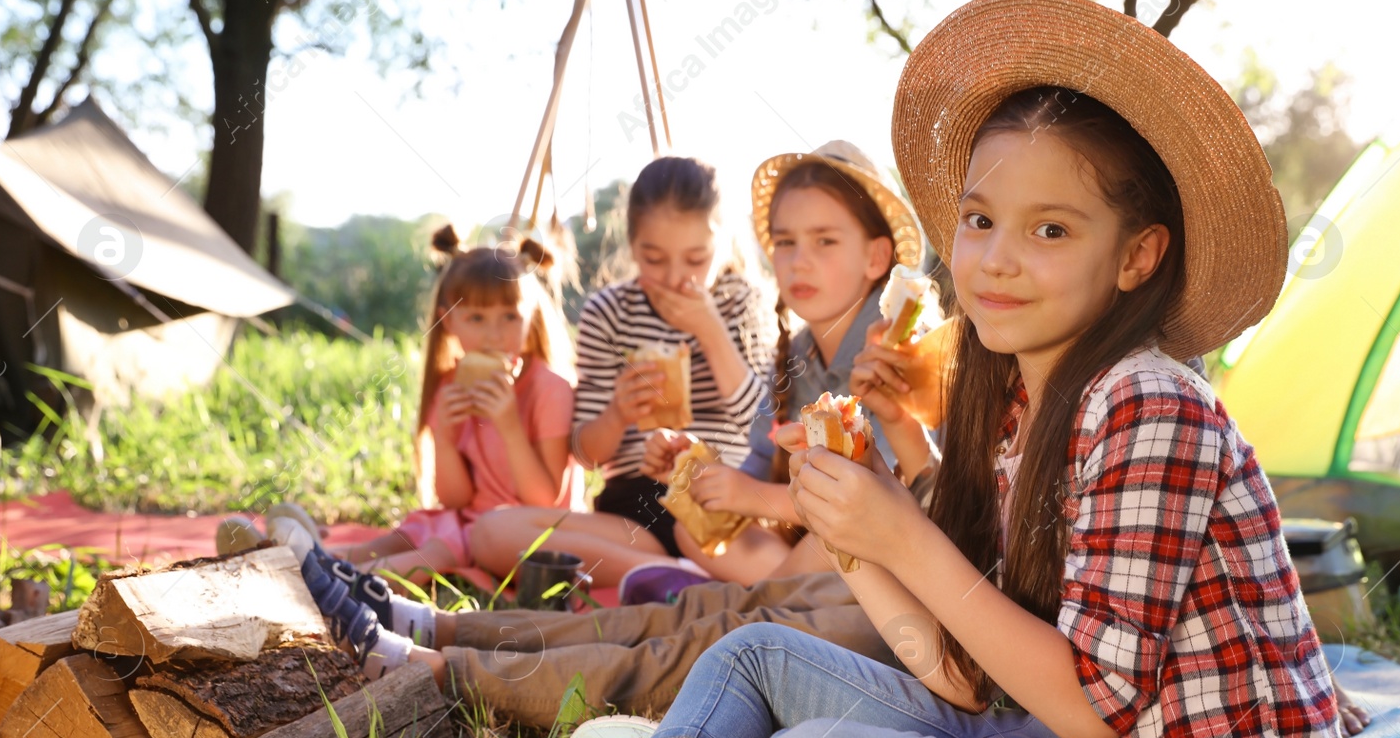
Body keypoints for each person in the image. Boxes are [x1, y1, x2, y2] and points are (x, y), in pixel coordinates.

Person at [364, 0, 1371, 738]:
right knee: (753, 654)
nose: (996, 258)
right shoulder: (1017, 406)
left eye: (1050, 229)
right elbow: (960, 677)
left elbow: (1092, 707)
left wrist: (905, 535)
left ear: (1138, 255)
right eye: (979, 220)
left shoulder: (1148, 397)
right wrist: (857, 535)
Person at [625, 140, 939, 597]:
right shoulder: (795, 355)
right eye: (786, 242)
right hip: (813, 554)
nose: (800, 260)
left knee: (827, 542)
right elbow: (756, 468)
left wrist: (746, 495)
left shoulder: (895, 347)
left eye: (824, 241)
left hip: (895, 552)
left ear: (875, 257)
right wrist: (694, 466)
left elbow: (879, 497)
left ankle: (747, 605)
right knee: (692, 529)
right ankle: (765, 599)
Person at [467, 156, 775, 587]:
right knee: (491, 532)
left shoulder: (743, 302)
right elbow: (585, 453)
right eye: (653, 258)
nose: (674, 277)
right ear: (632, 246)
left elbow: (765, 428)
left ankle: (670, 577)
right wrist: (617, 414)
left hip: (723, 509)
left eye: (695, 259)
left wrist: (711, 333)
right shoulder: (609, 312)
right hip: (633, 519)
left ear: (721, 244)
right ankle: (674, 576)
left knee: (773, 556)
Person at [220, 226, 580, 584]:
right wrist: (445, 436)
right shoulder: (455, 387)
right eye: (476, 318)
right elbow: (455, 500)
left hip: (525, 535)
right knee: (410, 534)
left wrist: (508, 425)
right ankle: (305, 556)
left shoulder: (549, 389)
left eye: (510, 317)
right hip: (467, 521)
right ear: (449, 320)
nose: (493, 334)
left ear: (531, 314)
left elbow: (545, 502)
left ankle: (331, 581)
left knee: (440, 549)